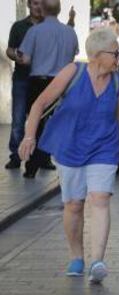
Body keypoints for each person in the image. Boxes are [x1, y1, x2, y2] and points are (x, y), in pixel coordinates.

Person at [18, 28, 119, 284]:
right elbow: (39, 104)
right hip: (70, 146)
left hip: (104, 148)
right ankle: (77, 256)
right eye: (115, 53)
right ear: (97, 54)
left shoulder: (117, 80)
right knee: (74, 204)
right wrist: (29, 137)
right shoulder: (72, 73)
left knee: (100, 199)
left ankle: (97, 260)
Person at [18, 0, 79, 178]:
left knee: (37, 124)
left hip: (39, 82)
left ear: (43, 10)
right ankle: (51, 161)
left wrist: (18, 56)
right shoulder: (70, 32)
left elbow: (26, 59)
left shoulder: (34, 31)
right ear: (59, 10)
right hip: (64, 82)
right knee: (59, 125)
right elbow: (74, 54)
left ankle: (32, 166)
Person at [4, 0, 42, 170]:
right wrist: (16, 57)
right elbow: (10, 49)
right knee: (18, 119)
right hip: (22, 78)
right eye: (35, 3)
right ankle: (16, 156)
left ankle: (42, 157)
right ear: (29, 5)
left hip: (43, 80)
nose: (38, 7)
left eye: (41, 3)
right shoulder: (19, 26)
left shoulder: (48, 27)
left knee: (43, 120)